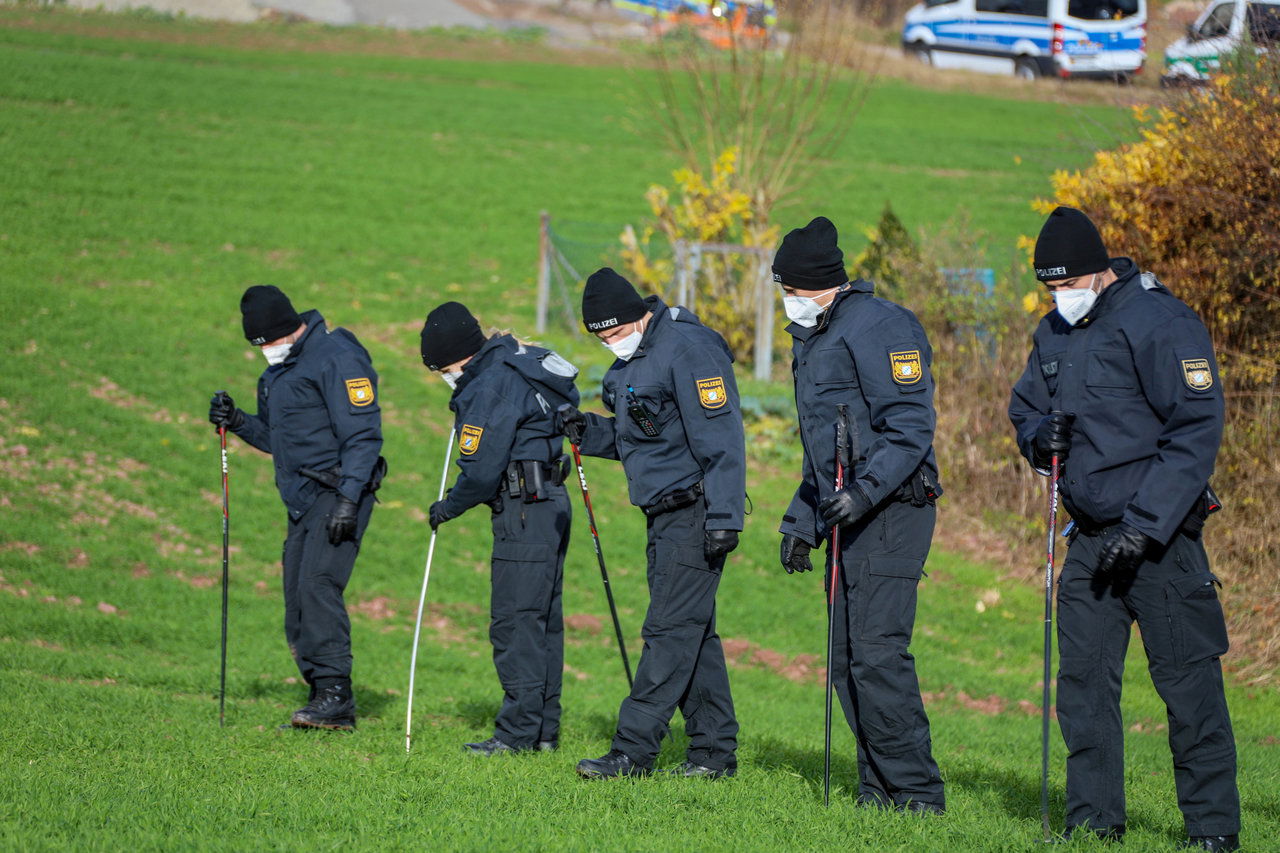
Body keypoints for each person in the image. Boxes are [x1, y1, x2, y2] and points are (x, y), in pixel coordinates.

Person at [1009, 206, 1239, 851]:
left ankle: (1213, 831)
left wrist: (1145, 526)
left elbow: (1196, 432)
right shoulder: (1052, 332)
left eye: (1067, 285)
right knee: (1082, 686)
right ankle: (1095, 826)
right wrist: (1036, 437)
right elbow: (1025, 407)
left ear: (1100, 273)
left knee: (1189, 685)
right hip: (1089, 537)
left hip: (1159, 539)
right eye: (1049, 288)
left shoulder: (1161, 323)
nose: (1060, 299)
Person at [774, 216, 945, 812]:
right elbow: (825, 447)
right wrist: (802, 523)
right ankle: (877, 785)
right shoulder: (816, 335)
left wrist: (865, 493)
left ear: (824, 285)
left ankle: (918, 791)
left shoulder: (882, 327)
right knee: (847, 661)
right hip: (848, 513)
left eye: (792, 291)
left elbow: (910, 428)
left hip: (894, 508)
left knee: (877, 654)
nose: (786, 302)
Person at [556, 267, 745, 780]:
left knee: (666, 631)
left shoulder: (687, 349)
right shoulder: (633, 362)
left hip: (698, 510)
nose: (611, 344)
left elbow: (722, 436)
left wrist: (726, 516)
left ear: (640, 315)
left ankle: (632, 751)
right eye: (602, 339)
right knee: (693, 634)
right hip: (661, 514)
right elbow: (641, 437)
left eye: (616, 333)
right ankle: (712, 754)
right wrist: (589, 432)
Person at [208, 285, 384, 731]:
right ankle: (320, 698)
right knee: (297, 602)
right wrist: (238, 421)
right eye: (257, 346)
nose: (264, 351)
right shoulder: (278, 374)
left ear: (288, 328)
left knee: (318, 586)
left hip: (339, 492)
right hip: (302, 502)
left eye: (267, 341)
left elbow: (363, 436)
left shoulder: (336, 358)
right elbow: (277, 441)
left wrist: (348, 499)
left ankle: (335, 697)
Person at [420, 302, 577, 755]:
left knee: (515, 623)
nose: (445, 379)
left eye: (443, 370)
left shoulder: (487, 386)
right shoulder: (522, 362)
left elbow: (482, 471)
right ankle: (544, 731)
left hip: (522, 509)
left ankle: (517, 735)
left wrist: (447, 507)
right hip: (551, 502)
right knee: (543, 622)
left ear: (458, 359)